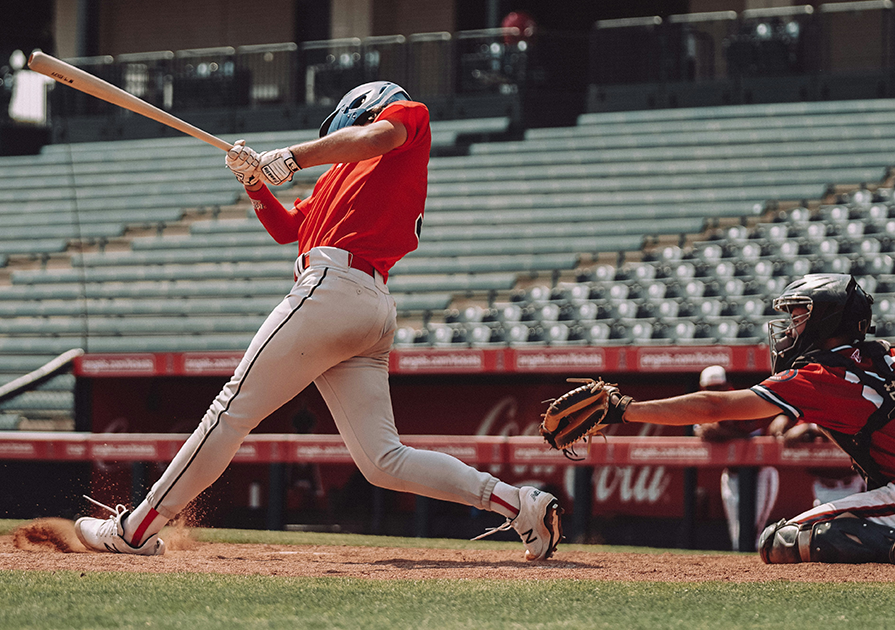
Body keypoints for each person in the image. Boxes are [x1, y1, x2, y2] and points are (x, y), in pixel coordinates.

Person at [73, 81, 563, 561]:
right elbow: (288, 228)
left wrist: (289, 156)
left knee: (230, 411)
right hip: (365, 306)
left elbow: (373, 138)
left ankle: (134, 529)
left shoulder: (404, 118)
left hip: (334, 291)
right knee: (383, 460)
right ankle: (519, 503)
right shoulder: (338, 177)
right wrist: (253, 182)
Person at [566, 274, 895, 563]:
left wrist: (625, 408)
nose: (790, 330)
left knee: (780, 540)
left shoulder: (823, 373)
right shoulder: (882, 352)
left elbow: (713, 407)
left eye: (799, 319)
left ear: (828, 321)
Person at [691, 365, 780, 551]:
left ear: (727, 386)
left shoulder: (741, 400)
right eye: (709, 389)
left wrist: (723, 432)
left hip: (760, 475)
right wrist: (718, 431)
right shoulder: (701, 404)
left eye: (718, 388)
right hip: (731, 475)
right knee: (737, 537)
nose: (713, 393)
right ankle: (742, 575)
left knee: (754, 535)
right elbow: (702, 431)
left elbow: (754, 437)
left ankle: (759, 577)